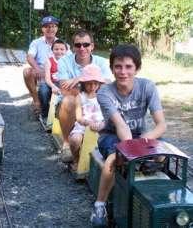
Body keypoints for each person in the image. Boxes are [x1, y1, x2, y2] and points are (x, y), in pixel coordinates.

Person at [90, 44, 166, 226]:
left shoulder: (147, 86)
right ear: (112, 69)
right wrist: (136, 151)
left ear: (137, 68)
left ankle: (157, 197)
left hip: (141, 134)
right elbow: (120, 125)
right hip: (112, 135)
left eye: (128, 67)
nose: (123, 72)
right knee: (113, 159)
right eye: (118, 66)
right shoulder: (105, 92)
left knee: (163, 155)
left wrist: (143, 143)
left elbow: (161, 124)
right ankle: (99, 205)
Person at [57, 29, 112, 162]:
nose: (82, 48)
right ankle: (66, 143)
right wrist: (92, 83)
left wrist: (81, 78)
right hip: (72, 102)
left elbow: (108, 86)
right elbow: (65, 90)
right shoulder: (64, 61)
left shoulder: (102, 62)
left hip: (96, 104)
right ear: (73, 47)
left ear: (92, 46)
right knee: (69, 101)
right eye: (78, 45)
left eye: (86, 44)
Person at [68, 65, 105, 172]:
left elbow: (108, 113)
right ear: (83, 83)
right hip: (83, 125)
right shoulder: (80, 97)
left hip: (101, 125)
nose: (92, 86)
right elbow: (78, 117)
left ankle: (101, 162)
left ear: (99, 84)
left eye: (95, 83)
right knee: (75, 140)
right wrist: (87, 122)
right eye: (89, 83)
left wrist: (103, 123)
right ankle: (76, 158)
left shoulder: (102, 96)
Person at [23, 15, 59, 115]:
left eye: (53, 26)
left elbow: (69, 60)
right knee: (27, 72)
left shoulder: (62, 44)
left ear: (56, 28)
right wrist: (38, 69)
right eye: (47, 26)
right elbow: (30, 57)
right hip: (41, 72)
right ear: (43, 29)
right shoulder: (36, 43)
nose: (50, 29)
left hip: (56, 73)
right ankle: (36, 101)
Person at [40, 39, 68, 123]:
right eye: (56, 49)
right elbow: (47, 79)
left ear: (66, 51)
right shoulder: (49, 61)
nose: (59, 51)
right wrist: (53, 86)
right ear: (52, 50)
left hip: (63, 83)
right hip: (51, 83)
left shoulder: (68, 61)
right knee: (43, 91)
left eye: (62, 49)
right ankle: (45, 113)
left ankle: (64, 115)